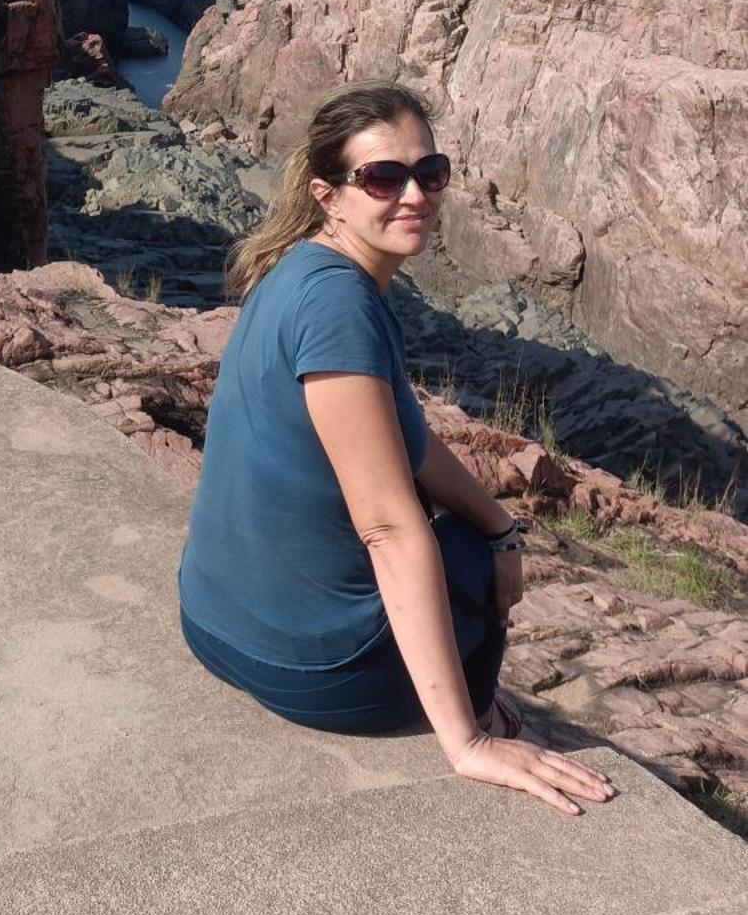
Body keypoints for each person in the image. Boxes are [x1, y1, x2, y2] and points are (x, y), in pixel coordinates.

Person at [177, 82, 616, 819]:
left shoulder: (300, 270)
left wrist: (504, 528)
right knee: (457, 559)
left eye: (429, 172)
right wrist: (464, 746)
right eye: (383, 177)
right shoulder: (341, 308)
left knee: (477, 537)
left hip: (211, 624)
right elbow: (385, 525)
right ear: (330, 194)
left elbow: (407, 438)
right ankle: (477, 715)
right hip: (313, 675)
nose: (413, 195)